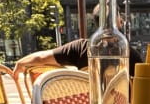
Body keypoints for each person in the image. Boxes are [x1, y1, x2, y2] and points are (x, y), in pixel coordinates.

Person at [14, 5, 142, 79]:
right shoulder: (130, 54)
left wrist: (20, 63)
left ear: (96, 23)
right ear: (119, 23)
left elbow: (41, 57)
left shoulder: (80, 47)